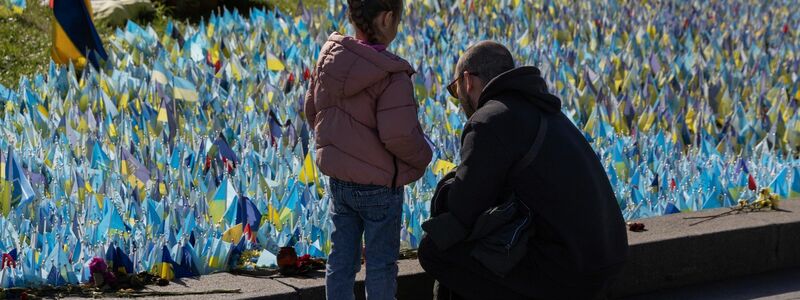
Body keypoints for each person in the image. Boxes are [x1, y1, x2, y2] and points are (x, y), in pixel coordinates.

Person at [417, 41, 628, 300]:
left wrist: (446, 186)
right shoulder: (545, 110)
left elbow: (463, 208)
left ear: (467, 81)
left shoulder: (488, 121)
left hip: (568, 271)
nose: (458, 96)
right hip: (606, 258)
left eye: (455, 89)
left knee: (434, 249)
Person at [304, 0, 433, 299]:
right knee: (380, 265)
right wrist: (423, 156)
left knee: (340, 259)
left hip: (340, 183)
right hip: (379, 190)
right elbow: (399, 135)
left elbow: (313, 112)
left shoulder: (329, 61)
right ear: (387, 19)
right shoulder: (391, 75)